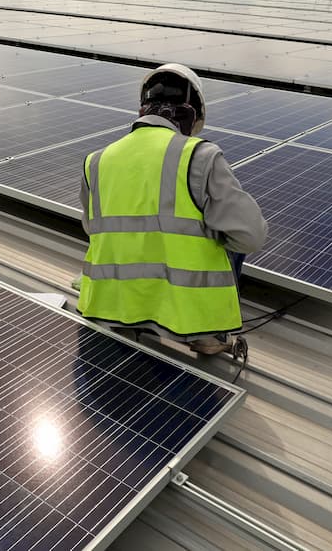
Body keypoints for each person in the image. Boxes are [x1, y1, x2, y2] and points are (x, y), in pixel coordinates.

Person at [77, 63, 267, 355]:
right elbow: (251, 236)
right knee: (231, 229)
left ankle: (134, 316)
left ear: (143, 110)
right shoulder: (200, 156)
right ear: (192, 114)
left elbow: (93, 230)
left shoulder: (96, 161)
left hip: (109, 306)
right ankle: (209, 336)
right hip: (183, 315)